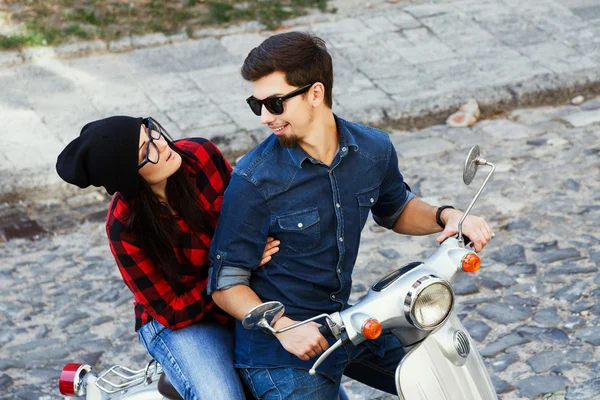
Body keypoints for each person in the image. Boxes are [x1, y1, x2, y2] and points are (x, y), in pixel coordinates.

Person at [207, 31, 493, 399]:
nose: (264, 118)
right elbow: (225, 284)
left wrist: (448, 216)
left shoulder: (372, 148)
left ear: (314, 93)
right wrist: (283, 326)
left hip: (349, 323)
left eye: (275, 103)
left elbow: (396, 209)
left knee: (445, 379)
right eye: (256, 104)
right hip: (281, 352)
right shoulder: (255, 178)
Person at [55, 116, 280, 400]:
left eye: (150, 132)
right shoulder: (123, 226)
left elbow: (250, 216)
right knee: (221, 396)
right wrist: (235, 270)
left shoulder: (201, 155)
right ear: (127, 177)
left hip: (241, 290)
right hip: (181, 322)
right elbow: (172, 310)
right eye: (144, 151)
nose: (160, 145)